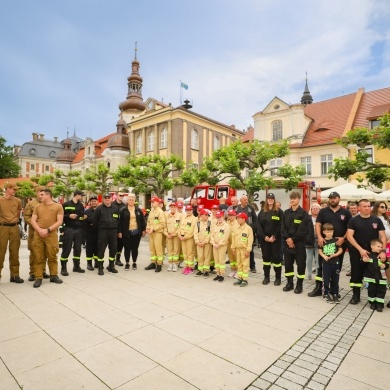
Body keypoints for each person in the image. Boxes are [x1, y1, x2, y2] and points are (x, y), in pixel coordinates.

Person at [308, 192, 352, 298]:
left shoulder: (346, 212)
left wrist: (343, 238)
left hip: (338, 244)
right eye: (331, 198)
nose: (332, 200)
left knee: (336, 267)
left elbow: (350, 228)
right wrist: (319, 237)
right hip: (325, 243)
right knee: (321, 266)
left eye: (334, 198)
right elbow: (318, 225)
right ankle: (319, 288)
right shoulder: (323, 211)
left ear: (339, 199)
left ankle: (333, 290)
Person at [347, 199, 386, 304]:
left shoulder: (377, 220)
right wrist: (360, 250)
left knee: (374, 273)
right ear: (359, 208)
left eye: (368, 206)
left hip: (373, 251)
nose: (367, 208)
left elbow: (382, 236)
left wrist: (383, 251)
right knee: (356, 273)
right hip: (357, 251)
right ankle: (356, 295)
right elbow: (349, 236)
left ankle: (374, 297)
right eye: (364, 206)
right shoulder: (354, 220)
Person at [30, 189, 64, 288]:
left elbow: (59, 221)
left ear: (48, 195)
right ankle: (38, 277)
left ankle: (54, 275)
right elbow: (33, 220)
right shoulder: (37, 206)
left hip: (51, 234)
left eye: (42, 194)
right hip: (38, 235)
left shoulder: (58, 206)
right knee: (38, 256)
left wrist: (48, 230)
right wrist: (39, 230)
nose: (39, 196)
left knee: (52, 255)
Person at [281, 191, 309, 294]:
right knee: (288, 264)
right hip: (287, 243)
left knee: (301, 265)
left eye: (295, 198)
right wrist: (288, 239)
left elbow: (303, 230)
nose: (292, 200)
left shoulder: (303, 213)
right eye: (291, 198)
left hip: (299, 244)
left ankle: (299, 285)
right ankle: (289, 283)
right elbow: (282, 228)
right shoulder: (286, 213)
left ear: (299, 199)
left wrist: (293, 239)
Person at [23, 186, 50, 281]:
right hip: (34, 231)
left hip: (46, 231)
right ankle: (33, 272)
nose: (42, 194)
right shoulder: (31, 204)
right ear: (37, 193)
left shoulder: (47, 203)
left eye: (44, 192)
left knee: (44, 252)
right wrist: (36, 225)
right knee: (34, 253)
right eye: (41, 192)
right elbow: (26, 216)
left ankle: (42, 271)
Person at [257, 193, 283, 286]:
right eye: (269, 198)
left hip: (275, 240)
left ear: (274, 200)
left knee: (276, 259)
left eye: (272, 198)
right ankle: (266, 277)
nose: (270, 200)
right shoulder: (262, 212)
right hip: (265, 240)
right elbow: (258, 226)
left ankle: (278, 278)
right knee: (266, 259)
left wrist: (274, 236)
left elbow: (281, 225)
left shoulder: (279, 211)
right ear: (267, 200)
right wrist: (264, 237)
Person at [92, 193, 121, 275]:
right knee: (101, 249)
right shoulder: (99, 209)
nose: (107, 199)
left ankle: (111, 266)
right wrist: (98, 232)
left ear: (111, 199)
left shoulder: (115, 208)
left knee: (113, 249)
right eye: (106, 198)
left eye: (109, 198)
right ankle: (100, 267)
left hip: (113, 231)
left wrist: (119, 231)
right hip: (103, 231)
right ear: (103, 199)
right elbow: (95, 221)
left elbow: (118, 221)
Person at [0, 183, 23, 283]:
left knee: (15, 252)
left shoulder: (17, 201)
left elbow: (18, 212)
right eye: (13, 189)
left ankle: (15, 275)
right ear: (7, 189)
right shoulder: (0, 200)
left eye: (15, 189)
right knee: (1, 251)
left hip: (14, 227)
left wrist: (15, 221)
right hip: (2, 227)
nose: (15, 191)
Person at [59, 190, 86, 276]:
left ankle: (76, 266)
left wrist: (84, 217)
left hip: (79, 229)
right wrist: (69, 216)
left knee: (78, 248)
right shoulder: (66, 205)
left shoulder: (80, 205)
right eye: (81, 195)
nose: (81, 197)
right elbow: (60, 216)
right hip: (68, 228)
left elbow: (81, 215)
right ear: (76, 195)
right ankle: (63, 268)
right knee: (67, 248)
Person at [119, 194, 146, 270]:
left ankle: (134, 262)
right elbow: (119, 222)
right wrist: (119, 231)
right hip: (126, 232)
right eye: (130, 199)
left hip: (136, 232)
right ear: (127, 201)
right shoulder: (123, 210)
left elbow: (142, 220)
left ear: (135, 201)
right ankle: (127, 263)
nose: (131, 201)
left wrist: (143, 230)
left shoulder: (138, 210)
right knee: (127, 248)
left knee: (135, 248)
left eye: (133, 200)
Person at [318, 223, 343, 304]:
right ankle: (325, 294)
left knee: (336, 279)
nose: (329, 233)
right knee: (326, 278)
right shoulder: (322, 241)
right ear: (324, 232)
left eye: (331, 232)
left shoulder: (336, 240)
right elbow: (320, 250)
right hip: (326, 263)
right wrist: (324, 256)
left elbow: (340, 250)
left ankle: (335, 293)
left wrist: (335, 254)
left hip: (335, 262)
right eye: (327, 232)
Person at [362, 238, 389, 312]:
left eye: (381, 247)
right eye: (378, 246)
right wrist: (364, 260)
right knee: (371, 290)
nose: (380, 248)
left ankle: (379, 304)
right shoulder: (368, 255)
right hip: (371, 278)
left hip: (381, 278)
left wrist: (385, 265)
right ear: (372, 246)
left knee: (381, 290)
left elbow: (387, 263)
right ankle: (372, 303)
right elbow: (361, 264)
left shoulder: (382, 256)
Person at [236, 195, 258, 273]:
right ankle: (241, 266)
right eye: (244, 200)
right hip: (239, 232)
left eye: (247, 199)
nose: (246, 201)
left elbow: (255, 219)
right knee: (239, 250)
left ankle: (252, 266)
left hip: (248, 231)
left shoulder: (250, 208)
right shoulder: (236, 208)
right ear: (240, 200)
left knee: (250, 249)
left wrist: (252, 228)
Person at [232, 212, 254, 287]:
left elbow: (250, 240)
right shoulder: (236, 228)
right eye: (237, 218)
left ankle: (245, 279)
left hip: (244, 250)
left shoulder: (248, 229)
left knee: (245, 264)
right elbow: (233, 238)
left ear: (243, 219)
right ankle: (240, 278)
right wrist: (233, 248)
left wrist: (248, 250)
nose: (237, 219)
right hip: (237, 249)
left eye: (239, 218)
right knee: (239, 264)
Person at [145, 197, 167, 272]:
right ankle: (153, 263)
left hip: (157, 233)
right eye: (151, 202)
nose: (152, 203)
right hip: (151, 233)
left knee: (158, 248)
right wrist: (147, 228)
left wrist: (154, 229)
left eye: (153, 202)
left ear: (157, 203)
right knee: (152, 248)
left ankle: (159, 264)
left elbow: (162, 224)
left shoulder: (160, 212)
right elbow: (148, 221)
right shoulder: (152, 211)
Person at [210, 211, 230, 282]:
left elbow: (225, 237)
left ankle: (222, 274)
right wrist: (213, 243)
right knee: (216, 260)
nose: (219, 219)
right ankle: (217, 273)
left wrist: (219, 244)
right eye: (217, 217)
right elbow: (211, 234)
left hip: (222, 246)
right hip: (215, 245)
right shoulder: (215, 225)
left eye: (220, 217)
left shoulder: (226, 226)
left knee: (221, 260)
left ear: (223, 217)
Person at [179, 205, 197, 275]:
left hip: (189, 238)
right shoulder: (184, 218)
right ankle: (186, 266)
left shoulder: (194, 219)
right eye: (187, 210)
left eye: (190, 210)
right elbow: (180, 227)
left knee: (190, 253)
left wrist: (185, 237)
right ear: (185, 211)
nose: (188, 211)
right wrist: (179, 235)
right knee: (185, 253)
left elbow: (192, 230)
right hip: (182, 237)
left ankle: (191, 267)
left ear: (192, 211)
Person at [165, 203, 183, 272]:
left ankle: (175, 263)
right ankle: (170, 263)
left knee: (176, 249)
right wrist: (166, 234)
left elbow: (180, 226)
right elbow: (165, 226)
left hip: (176, 236)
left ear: (176, 208)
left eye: (174, 207)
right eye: (171, 207)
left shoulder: (180, 216)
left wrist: (175, 233)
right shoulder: (167, 216)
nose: (172, 208)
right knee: (169, 250)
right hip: (168, 236)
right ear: (170, 208)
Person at [194, 209, 212, 277]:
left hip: (207, 243)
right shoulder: (198, 223)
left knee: (207, 256)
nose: (207, 216)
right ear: (201, 215)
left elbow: (211, 233)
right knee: (200, 256)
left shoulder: (210, 223)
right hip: (199, 242)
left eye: (207, 215)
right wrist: (197, 241)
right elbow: (195, 233)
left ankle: (206, 270)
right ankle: (200, 269)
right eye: (205, 215)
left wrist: (205, 241)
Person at [305, 203, 320, 280]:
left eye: (317, 208)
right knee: (309, 258)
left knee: (318, 258)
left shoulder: (321, 218)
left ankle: (318, 273)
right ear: (311, 210)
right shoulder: (307, 218)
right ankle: (309, 274)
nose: (315, 209)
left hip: (318, 240)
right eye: (313, 208)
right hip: (309, 240)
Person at [84, 196, 99, 271]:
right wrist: (93, 219)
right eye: (92, 201)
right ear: (90, 202)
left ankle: (96, 262)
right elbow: (86, 220)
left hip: (98, 232)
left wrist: (90, 218)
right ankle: (89, 263)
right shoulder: (87, 211)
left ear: (97, 202)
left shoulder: (100, 210)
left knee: (97, 247)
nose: (94, 202)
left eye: (95, 201)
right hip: (89, 232)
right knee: (89, 248)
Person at [113, 192, 127, 266]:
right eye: (120, 195)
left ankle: (118, 259)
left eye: (122, 195)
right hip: (113, 228)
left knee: (120, 245)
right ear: (116, 196)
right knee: (112, 245)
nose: (121, 197)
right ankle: (111, 259)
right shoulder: (112, 205)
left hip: (121, 228)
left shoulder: (124, 206)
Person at [226, 209, 239, 278]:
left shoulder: (237, 223)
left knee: (237, 258)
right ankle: (233, 270)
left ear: (235, 215)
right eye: (229, 215)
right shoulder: (226, 223)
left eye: (232, 215)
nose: (231, 217)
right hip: (228, 243)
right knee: (231, 258)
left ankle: (238, 271)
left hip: (235, 244)